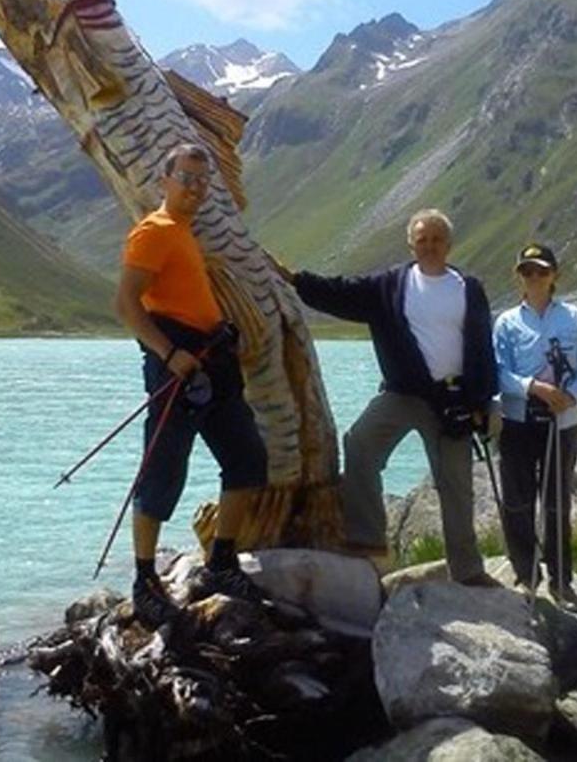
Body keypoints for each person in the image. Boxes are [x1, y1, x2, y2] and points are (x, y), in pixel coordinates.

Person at [281, 209, 500, 587]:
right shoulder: (389, 286)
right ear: (411, 244)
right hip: (402, 394)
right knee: (360, 444)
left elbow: (482, 347)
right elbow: (340, 292)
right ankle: (368, 542)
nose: (429, 246)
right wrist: (295, 279)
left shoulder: (468, 287)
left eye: (436, 239)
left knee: (457, 485)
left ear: (448, 244)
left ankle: (468, 571)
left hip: (453, 400)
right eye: (422, 239)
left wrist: (483, 401)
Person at [114, 142, 268, 628]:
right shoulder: (154, 231)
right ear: (165, 179)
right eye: (187, 178)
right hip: (177, 364)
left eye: (203, 181)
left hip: (211, 360)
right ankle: (144, 581)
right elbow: (125, 304)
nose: (196, 189)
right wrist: (169, 353)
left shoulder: (183, 232)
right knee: (163, 471)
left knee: (247, 459)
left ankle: (220, 564)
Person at [492, 242, 577, 601]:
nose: (534, 277)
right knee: (517, 501)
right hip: (518, 421)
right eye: (527, 271)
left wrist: (568, 397)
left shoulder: (574, 318)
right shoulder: (506, 322)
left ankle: (561, 577)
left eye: (541, 270)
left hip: (561, 422)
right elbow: (498, 371)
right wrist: (532, 387)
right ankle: (525, 572)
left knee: (556, 503)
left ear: (554, 275)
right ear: (518, 276)